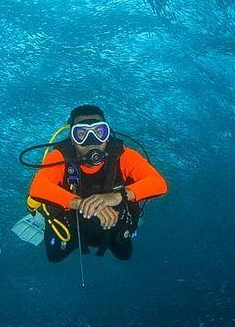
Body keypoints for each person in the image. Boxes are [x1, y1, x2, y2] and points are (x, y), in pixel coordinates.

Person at [27, 104, 168, 262]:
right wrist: (83, 204)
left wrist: (116, 196)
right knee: (54, 257)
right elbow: (38, 187)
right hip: (72, 224)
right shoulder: (60, 156)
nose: (92, 142)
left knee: (124, 255)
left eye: (99, 132)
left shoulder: (124, 155)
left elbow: (158, 183)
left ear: (107, 135)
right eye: (81, 134)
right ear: (72, 139)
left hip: (113, 222)